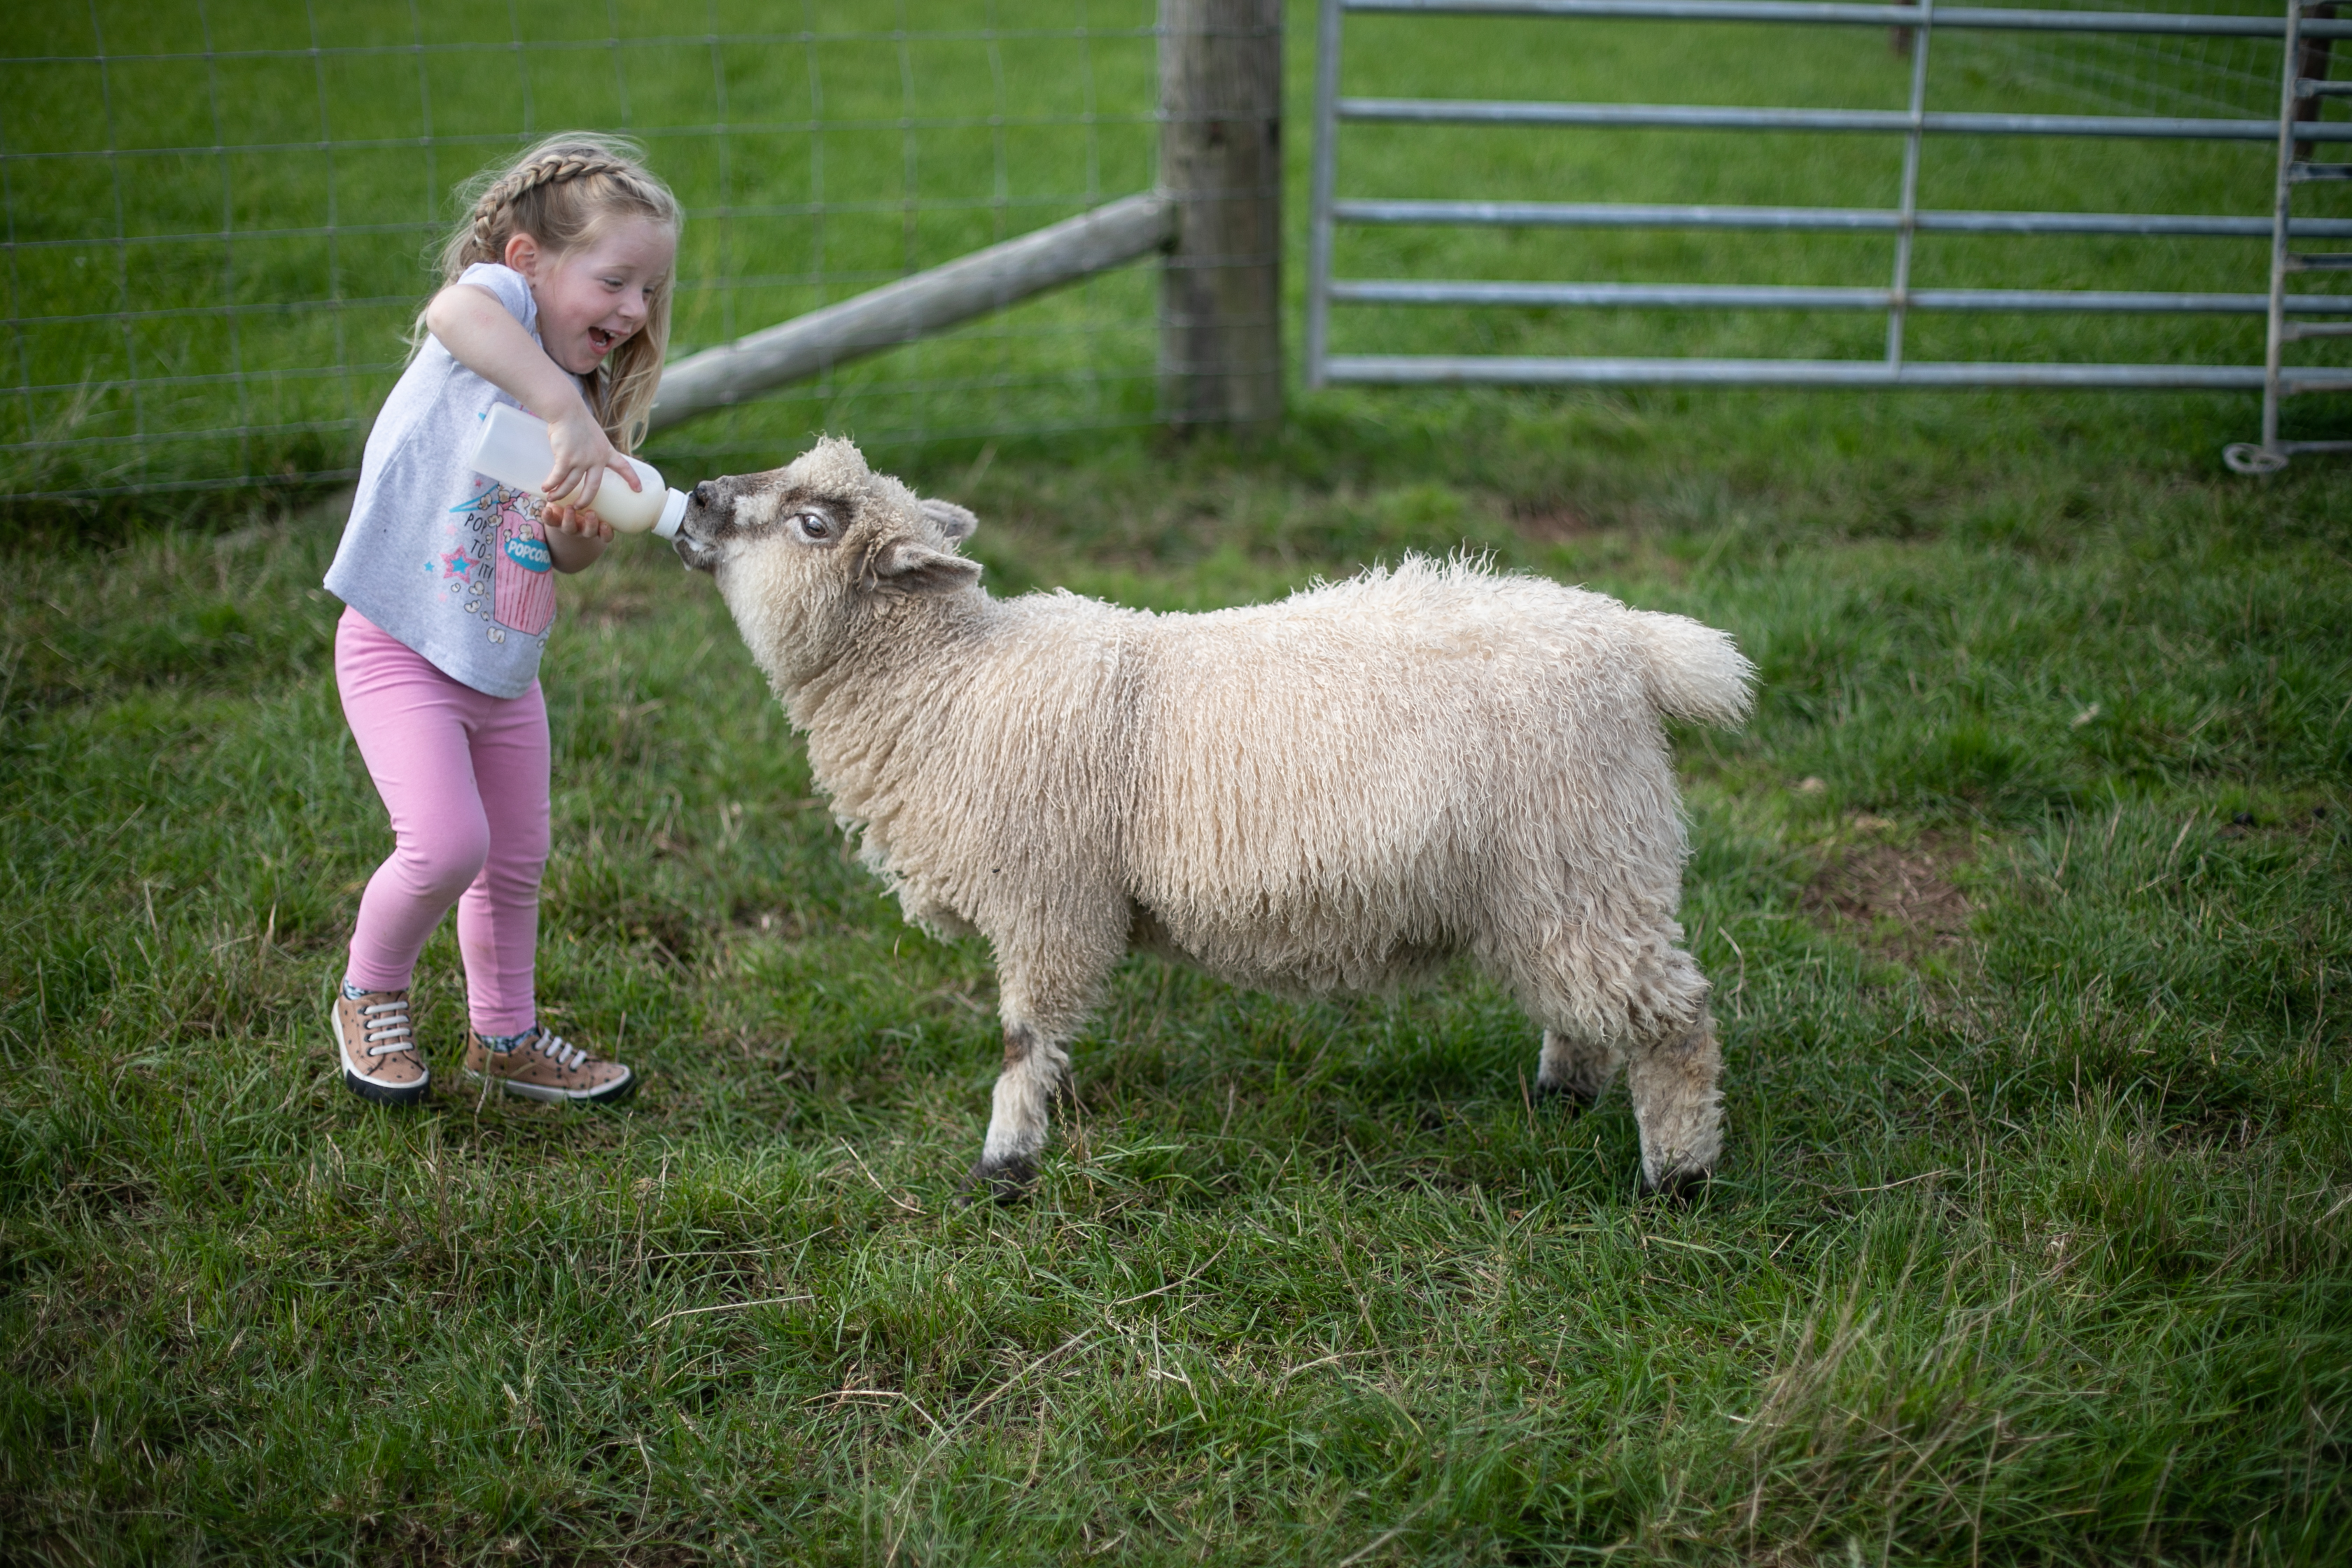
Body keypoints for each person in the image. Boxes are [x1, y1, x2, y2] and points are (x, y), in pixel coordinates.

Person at [321, 133, 680, 1106]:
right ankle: (371, 991)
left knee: (515, 860)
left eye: (649, 292)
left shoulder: (582, 394)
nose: (635, 311)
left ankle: (505, 1037)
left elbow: (556, 550)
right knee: (447, 845)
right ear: (528, 262)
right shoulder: (502, 318)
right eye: (615, 282)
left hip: (503, 670)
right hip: (402, 645)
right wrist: (559, 410)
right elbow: (454, 310)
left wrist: (580, 536)